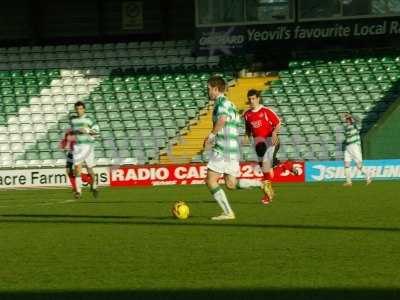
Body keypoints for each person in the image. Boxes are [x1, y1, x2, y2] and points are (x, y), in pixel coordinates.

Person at [204, 76, 269, 220]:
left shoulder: (221, 103)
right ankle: (260, 183)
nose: (208, 91)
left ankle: (228, 213)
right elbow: (234, 121)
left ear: (216, 89)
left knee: (210, 180)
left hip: (223, 147)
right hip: (233, 148)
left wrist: (211, 136)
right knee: (231, 183)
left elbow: (222, 119)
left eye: (209, 89)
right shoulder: (231, 105)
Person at [243, 89, 281, 204]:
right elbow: (248, 129)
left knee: (266, 166)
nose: (251, 101)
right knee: (267, 170)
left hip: (270, 141)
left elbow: (278, 122)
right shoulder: (247, 114)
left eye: (253, 98)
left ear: (258, 99)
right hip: (258, 144)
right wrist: (246, 136)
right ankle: (287, 167)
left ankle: (267, 195)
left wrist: (274, 133)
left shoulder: (265, 111)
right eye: (250, 99)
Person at [70, 101, 99, 199]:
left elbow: (97, 133)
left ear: (84, 109)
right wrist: (77, 131)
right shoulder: (72, 120)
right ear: (75, 109)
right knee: (77, 168)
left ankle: (94, 186)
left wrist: (87, 130)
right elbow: (73, 131)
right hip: (77, 147)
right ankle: (78, 191)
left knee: (89, 169)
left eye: (81, 109)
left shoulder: (89, 120)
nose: (79, 111)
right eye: (77, 109)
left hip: (88, 146)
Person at [59, 128, 94, 194]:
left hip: (76, 154)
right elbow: (62, 146)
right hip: (70, 154)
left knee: (75, 171)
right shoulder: (66, 139)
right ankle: (75, 187)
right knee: (68, 171)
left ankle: (88, 181)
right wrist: (63, 148)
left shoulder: (76, 138)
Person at [342, 112, 371, 186]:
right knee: (346, 164)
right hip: (348, 147)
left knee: (358, 165)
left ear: (351, 119)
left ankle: (368, 177)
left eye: (349, 119)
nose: (347, 120)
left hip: (354, 146)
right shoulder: (346, 127)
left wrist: (351, 115)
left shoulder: (355, 126)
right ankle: (349, 182)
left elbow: (358, 119)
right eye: (347, 119)